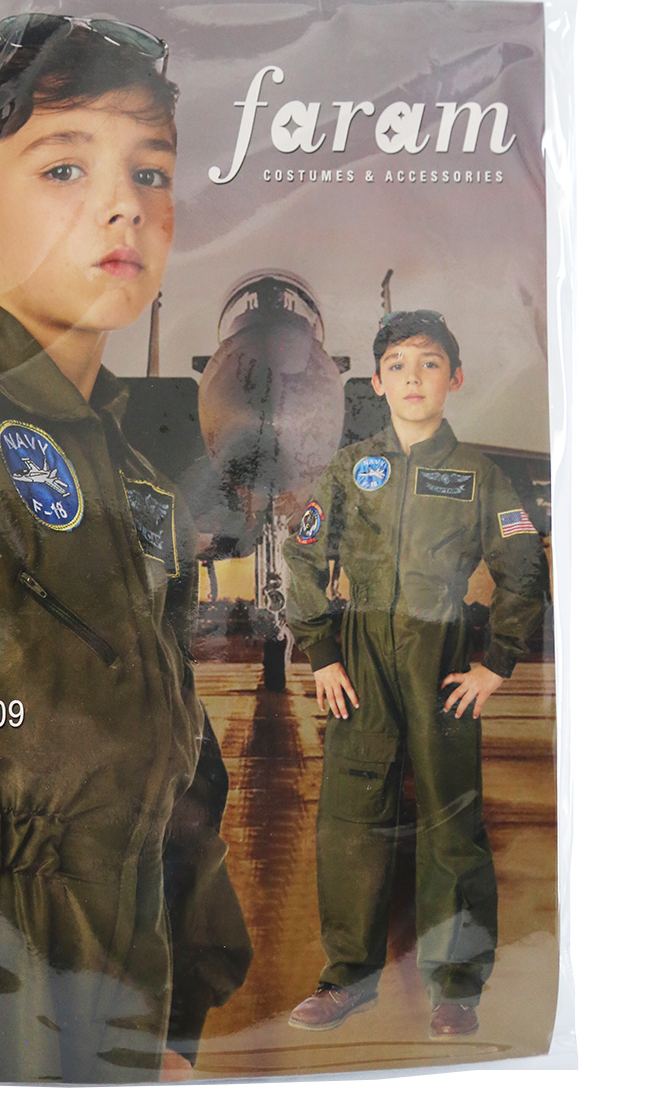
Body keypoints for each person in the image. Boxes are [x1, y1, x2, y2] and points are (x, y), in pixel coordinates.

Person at [0, 14, 251, 1083]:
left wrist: (177, 1017)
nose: (125, 205)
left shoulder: (137, 479)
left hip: (129, 980)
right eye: (65, 166)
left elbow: (179, 760)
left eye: (150, 172)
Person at [282, 309, 549, 1039]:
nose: (413, 378)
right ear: (376, 382)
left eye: (429, 363)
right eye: (397, 365)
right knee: (351, 820)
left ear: (454, 378)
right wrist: (323, 651)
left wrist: (495, 664)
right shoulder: (349, 467)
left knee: (451, 823)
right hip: (361, 656)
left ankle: (455, 987)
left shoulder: (479, 474)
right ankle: (345, 978)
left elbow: (524, 567)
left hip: (443, 658)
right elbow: (302, 555)